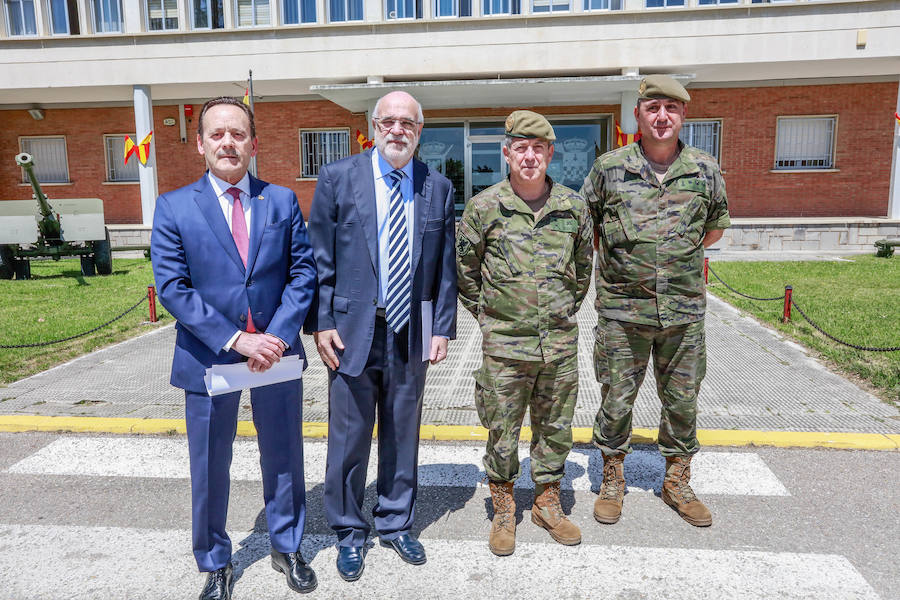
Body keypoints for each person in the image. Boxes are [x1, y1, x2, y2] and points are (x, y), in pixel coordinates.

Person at [151, 96, 318, 599]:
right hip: (210, 359)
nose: (228, 142)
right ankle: (216, 560)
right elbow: (174, 286)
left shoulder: (282, 200)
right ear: (200, 144)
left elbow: (303, 272)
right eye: (217, 134)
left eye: (238, 133)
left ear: (254, 144)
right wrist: (235, 338)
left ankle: (286, 545)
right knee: (209, 463)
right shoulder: (174, 206)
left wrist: (277, 338)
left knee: (285, 456)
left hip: (274, 354)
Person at [304, 90, 456, 582]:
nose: (397, 130)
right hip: (350, 331)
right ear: (373, 126)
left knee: (402, 431)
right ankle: (349, 530)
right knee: (348, 437)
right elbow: (318, 258)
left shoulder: (436, 185)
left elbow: (444, 265)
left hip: (410, 329)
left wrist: (442, 328)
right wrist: (321, 322)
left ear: (419, 130)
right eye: (388, 121)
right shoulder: (338, 178)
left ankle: (395, 523)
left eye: (407, 123)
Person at [580, 75, 730, 528]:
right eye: (653, 108)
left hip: (683, 314)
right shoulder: (608, 168)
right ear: (638, 116)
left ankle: (677, 480)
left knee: (682, 401)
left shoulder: (704, 168)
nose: (662, 117)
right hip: (623, 315)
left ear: (683, 115)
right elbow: (589, 229)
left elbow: (715, 228)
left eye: (671, 108)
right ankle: (612, 477)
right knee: (616, 399)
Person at [456, 110, 594, 556]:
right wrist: (494, 317)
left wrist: (557, 312)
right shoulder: (483, 207)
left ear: (550, 153)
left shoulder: (573, 208)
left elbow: (582, 271)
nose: (530, 156)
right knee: (501, 428)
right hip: (504, 347)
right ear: (507, 153)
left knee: (555, 428)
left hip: (558, 343)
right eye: (521, 147)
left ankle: (547, 503)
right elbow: (466, 272)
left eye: (538, 148)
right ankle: (503, 509)